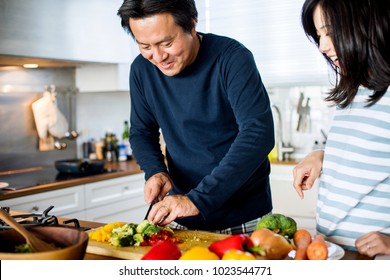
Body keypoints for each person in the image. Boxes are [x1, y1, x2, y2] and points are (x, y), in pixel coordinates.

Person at [117, 0, 274, 234]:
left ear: (191, 25)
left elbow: (258, 133)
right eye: (145, 46)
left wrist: (198, 200)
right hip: (181, 214)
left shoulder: (232, 58)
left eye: (167, 43)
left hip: (244, 217)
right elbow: (141, 132)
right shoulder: (141, 69)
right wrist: (155, 171)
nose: (158, 57)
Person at [293, 0, 390, 257]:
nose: (323, 46)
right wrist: (324, 157)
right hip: (337, 253)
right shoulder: (355, 91)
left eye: (331, 32)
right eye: (319, 35)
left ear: (366, 24)